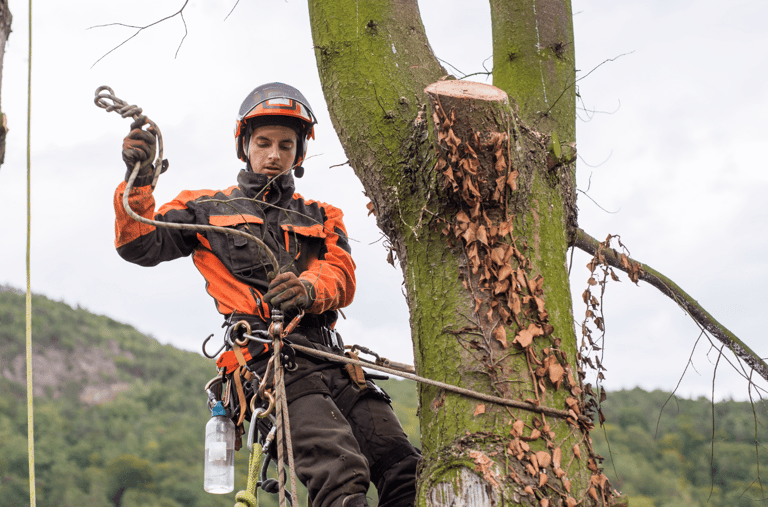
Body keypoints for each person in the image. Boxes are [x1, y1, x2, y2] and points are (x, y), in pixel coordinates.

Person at [114, 83, 420, 507]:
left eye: (285, 145)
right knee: (341, 473)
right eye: (263, 143)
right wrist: (140, 180)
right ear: (245, 146)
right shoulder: (204, 209)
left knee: (405, 467)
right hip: (269, 362)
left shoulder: (323, 215)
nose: (274, 154)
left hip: (332, 359)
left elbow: (342, 275)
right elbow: (139, 244)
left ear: (299, 153)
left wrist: (309, 288)